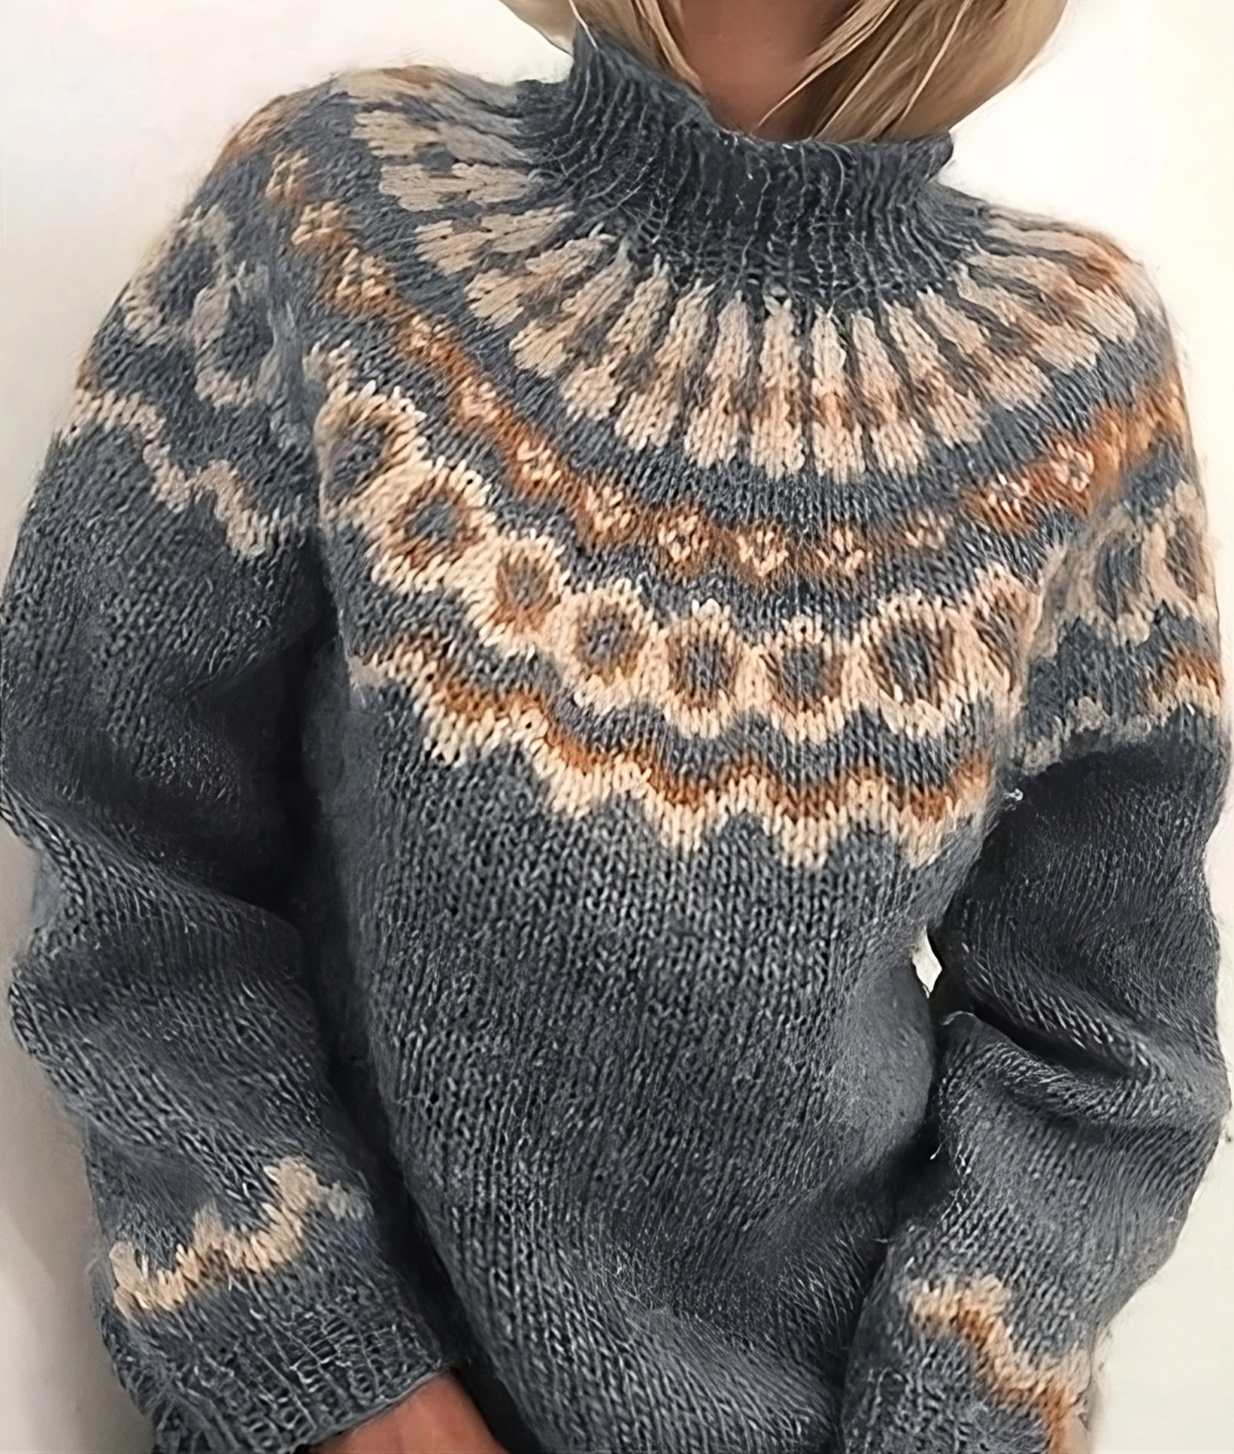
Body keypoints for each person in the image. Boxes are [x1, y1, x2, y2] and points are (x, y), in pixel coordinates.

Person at [0, 0, 1228, 1449]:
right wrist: (336, 1371)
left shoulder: (1071, 370)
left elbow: (1105, 1034)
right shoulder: (343, 216)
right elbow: (123, 842)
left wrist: (947, 1418)